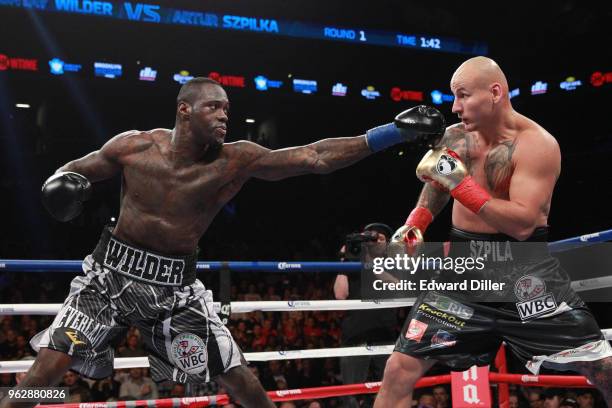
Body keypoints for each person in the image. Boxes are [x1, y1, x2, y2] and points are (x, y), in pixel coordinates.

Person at [0, 77, 445, 408]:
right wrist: (61, 187)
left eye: (227, 109)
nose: (224, 116)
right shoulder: (134, 147)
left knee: (238, 379)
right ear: (184, 111)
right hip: (110, 278)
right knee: (48, 370)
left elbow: (314, 157)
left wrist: (391, 133)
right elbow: (72, 170)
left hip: (175, 289)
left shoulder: (234, 160)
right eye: (214, 107)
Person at [373, 57, 612, 407]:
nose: (455, 107)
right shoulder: (457, 136)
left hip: (524, 271)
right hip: (463, 274)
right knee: (398, 369)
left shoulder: (537, 145)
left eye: (463, 96)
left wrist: (460, 182)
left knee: (605, 369)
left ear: (495, 92)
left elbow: (521, 224)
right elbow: (439, 182)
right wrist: (417, 221)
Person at [333, 223, 396, 408]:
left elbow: (396, 286)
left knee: (388, 390)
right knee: (351, 393)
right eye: (371, 238)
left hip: (384, 333)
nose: (376, 241)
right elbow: (340, 295)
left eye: (381, 238)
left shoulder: (394, 261)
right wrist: (344, 261)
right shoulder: (353, 264)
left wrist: (371, 264)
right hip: (355, 333)